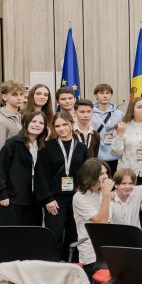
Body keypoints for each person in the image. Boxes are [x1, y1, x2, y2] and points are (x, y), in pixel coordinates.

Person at [34, 111, 89, 260]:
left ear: (72, 124)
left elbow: (86, 173)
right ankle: (54, 264)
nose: (62, 128)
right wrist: (47, 199)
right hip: (55, 199)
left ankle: (72, 263)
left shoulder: (82, 148)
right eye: (57, 126)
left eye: (65, 124)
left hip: (76, 197)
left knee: (74, 233)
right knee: (55, 233)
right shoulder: (47, 147)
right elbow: (41, 175)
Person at [0, 111, 47, 227]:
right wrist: (1, 194)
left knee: (31, 233)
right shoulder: (13, 143)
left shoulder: (42, 146)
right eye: (34, 121)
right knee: (11, 234)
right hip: (12, 199)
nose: (37, 125)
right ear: (26, 123)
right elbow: (0, 169)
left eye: (41, 123)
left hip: (33, 199)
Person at [71, 158, 116, 268]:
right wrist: (106, 194)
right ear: (90, 175)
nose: (106, 176)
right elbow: (101, 223)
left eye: (106, 173)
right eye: (101, 174)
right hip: (91, 250)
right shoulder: (79, 197)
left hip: (109, 245)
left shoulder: (103, 191)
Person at [111, 97, 142, 185]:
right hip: (126, 174)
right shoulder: (122, 126)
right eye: (139, 107)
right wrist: (120, 135)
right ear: (132, 110)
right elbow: (116, 153)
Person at [0, 80, 25, 170]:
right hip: (7, 171)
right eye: (14, 95)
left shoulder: (20, 117)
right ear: (4, 97)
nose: (19, 98)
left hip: (20, 168)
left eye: (21, 94)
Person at [91, 84, 120, 173]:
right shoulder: (90, 114)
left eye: (107, 93)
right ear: (96, 95)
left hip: (115, 157)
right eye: (101, 93)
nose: (105, 96)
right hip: (97, 157)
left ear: (111, 95)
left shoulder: (119, 114)